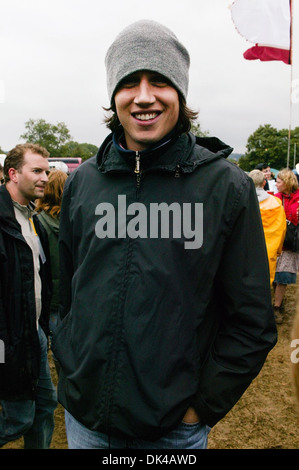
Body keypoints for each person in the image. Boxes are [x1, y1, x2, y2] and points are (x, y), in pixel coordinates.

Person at [52, 19, 277, 450]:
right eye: (128, 83)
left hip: (174, 431)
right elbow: (68, 289)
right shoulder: (86, 181)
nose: (143, 96)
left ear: (180, 93)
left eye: (159, 81)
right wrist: (70, 359)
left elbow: (250, 320)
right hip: (86, 422)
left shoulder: (226, 187)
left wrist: (201, 407)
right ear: (113, 96)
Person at [0, 143, 57, 448]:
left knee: (46, 407)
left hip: (34, 334)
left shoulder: (34, 220)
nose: (45, 177)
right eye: (37, 170)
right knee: (18, 418)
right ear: (13, 173)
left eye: (46, 171)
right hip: (7, 341)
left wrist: (43, 327)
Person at [36, 169, 68, 375]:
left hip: (50, 299)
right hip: (72, 295)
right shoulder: (75, 221)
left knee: (53, 349)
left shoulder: (37, 223)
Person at [248, 170, 286, 286]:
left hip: (247, 251)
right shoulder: (276, 203)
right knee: (263, 287)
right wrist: (278, 250)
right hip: (269, 252)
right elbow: (282, 229)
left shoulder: (242, 201)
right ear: (264, 183)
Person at [273, 168, 299, 324]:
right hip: (275, 242)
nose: (276, 184)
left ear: (287, 183)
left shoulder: (298, 199)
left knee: (282, 276)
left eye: (279, 181)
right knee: (273, 275)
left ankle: (276, 307)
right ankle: (276, 299)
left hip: (289, 244)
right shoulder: (275, 198)